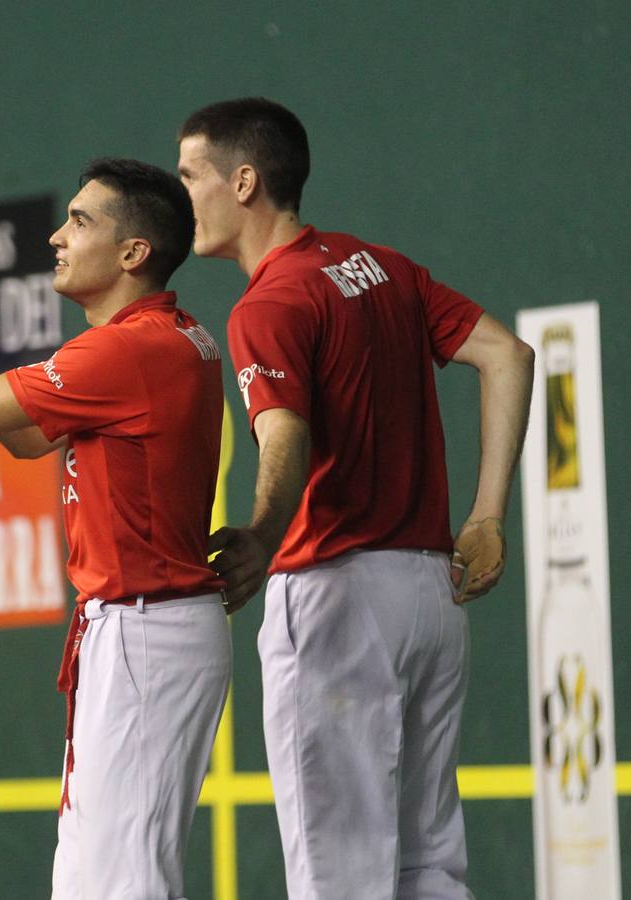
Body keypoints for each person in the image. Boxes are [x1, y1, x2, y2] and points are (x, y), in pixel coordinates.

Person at [176, 97, 535, 899]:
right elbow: (508, 355)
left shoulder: (266, 305)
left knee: (338, 878)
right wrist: (486, 517)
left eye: (190, 176)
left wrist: (265, 536)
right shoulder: (383, 268)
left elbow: (286, 439)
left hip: (337, 601)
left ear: (243, 182)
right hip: (430, 599)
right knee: (428, 869)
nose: (181, 196)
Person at [0, 161, 230, 900]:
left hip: (144, 630)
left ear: (134, 253)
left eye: (80, 221)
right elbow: (27, 438)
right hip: (142, 631)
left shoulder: (127, 350)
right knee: (88, 881)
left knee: (122, 884)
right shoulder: (156, 339)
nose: (55, 236)